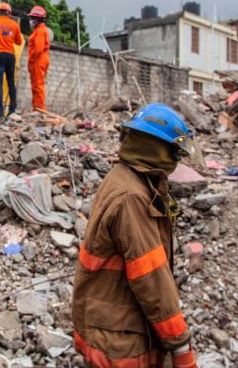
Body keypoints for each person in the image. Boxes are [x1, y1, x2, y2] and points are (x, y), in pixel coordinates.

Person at [72, 104, 200, 367]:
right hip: (119, 337)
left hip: (110, 320)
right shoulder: (132, 197)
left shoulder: (125, 177)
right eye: (175, 153)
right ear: (159, 150)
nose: (176, 161)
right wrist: (179, 343)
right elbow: (150, 277)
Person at [27, 6, 51, 112]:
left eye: (32, 18)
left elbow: (38, 49)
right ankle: (36, 108)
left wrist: (31, 61)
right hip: (39, 59)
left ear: (38, 19)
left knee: (38, 85)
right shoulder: (39, 30)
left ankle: (40, 109)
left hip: (38, 60)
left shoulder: (41, 31)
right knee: (36, 85)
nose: (30, 20)